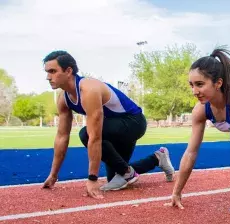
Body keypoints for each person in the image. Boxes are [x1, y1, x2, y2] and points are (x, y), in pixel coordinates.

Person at [42, 50, 175, 198]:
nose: (48, 77)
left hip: (133, 122)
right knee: (116, 178)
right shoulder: (63, 99)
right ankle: (157, 158)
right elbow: (62, 137)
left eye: (53, 71)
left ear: (68, 71)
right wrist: (53, 175)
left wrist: (92, 179)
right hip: (113, 129)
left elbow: (95, 136)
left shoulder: (89, 89)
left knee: (85, 133)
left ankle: (127, 172)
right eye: (47, 72)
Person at [170, 47, 230, 215]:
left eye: (200, 84)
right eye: (191, 85)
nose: (194, 91)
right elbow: (191, 152)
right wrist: (177, 192)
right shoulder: (200, 110)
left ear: (218, 83)